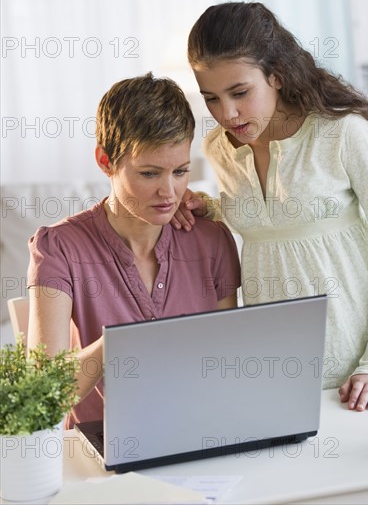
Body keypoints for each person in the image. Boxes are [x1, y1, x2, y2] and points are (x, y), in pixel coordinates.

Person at [173, 1, 368, 412]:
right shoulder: (217, 150)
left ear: (276, 75)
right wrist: (210, 208)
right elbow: (271, 219)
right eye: (211, 99)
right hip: (272, 372)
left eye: (240, 93)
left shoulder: (341, 133)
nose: (228, 113)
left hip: (360, 377)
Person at [27, 73, 241, 428]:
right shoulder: (60, 249)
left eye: (180, 171)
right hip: (98, 450)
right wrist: (116, 346)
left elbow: (228, 361)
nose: (168, 192)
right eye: (149, 174)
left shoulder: (211, 240)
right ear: (105, 161)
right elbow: (42, 393)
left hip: (201, 431)